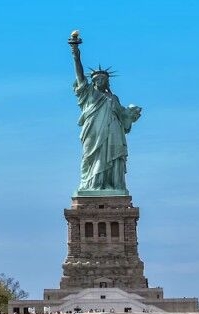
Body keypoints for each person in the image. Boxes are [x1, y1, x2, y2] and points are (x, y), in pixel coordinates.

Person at [69, 31, 142, 193]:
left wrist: (132, 114)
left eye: (104, 79)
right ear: (93, 82)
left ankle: (113, 185)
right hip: (93, 131)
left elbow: (123, 117)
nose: (101, 81)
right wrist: (75, 53)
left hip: (113, 132)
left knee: (114, 157)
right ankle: (91, 185)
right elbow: (80, 75)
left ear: (107, 82)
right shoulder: (89, 93)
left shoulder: (113, 98)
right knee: (90, 157)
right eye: (98, 79)